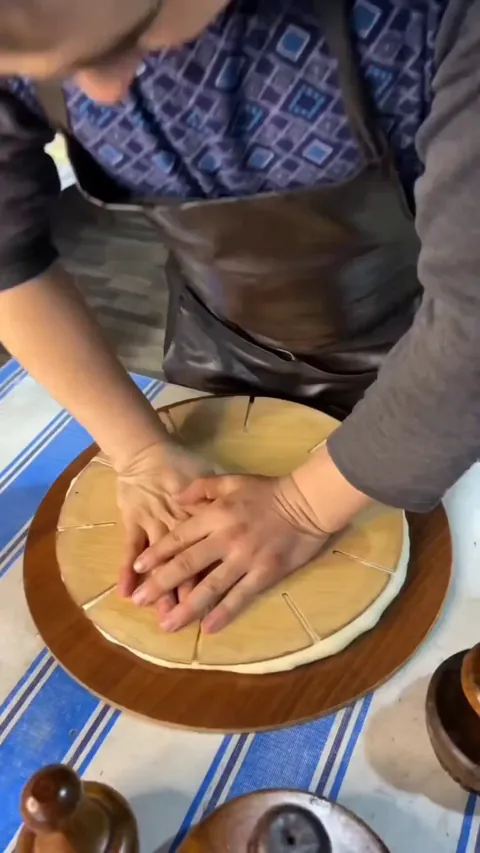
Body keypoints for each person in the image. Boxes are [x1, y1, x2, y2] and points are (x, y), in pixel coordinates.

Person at [0, 0, 477, 635]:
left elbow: (471, 325)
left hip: (438, 377)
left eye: (129, 37)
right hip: (218, 350)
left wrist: (302, 507)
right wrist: (139, 452)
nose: (106, 91)